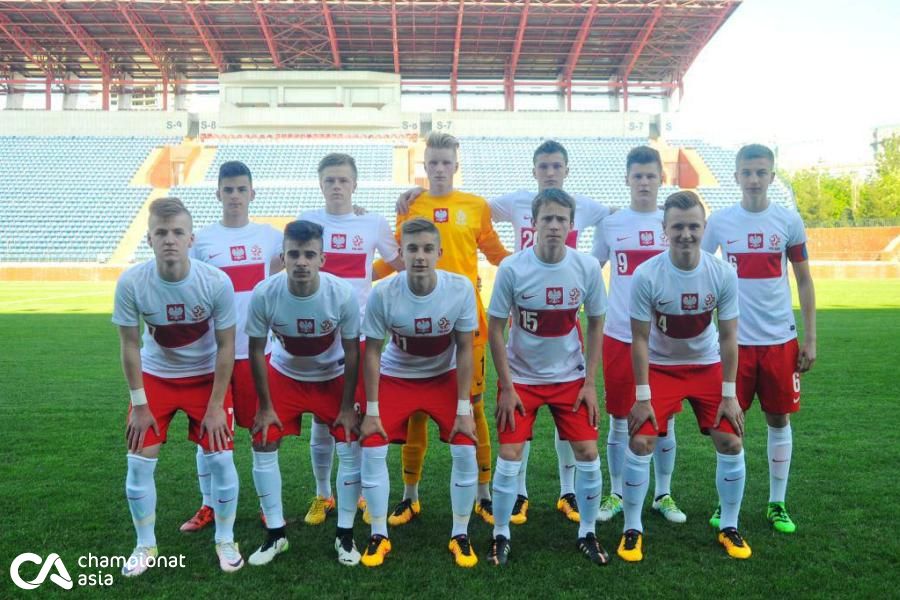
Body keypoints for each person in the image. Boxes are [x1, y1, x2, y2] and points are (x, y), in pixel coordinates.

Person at [399, 139, 612, 524]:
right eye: (543, 166)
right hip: (518, 319)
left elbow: (618, 217)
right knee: (514, 415)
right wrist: (417, 193)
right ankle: (515, 494)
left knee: (563, 423)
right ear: (534, 171)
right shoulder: (505, 202)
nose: (550, 171)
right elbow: (478, 227)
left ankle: (565, 493)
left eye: (556, 166)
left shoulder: (586, 206)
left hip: (557, 322)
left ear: (566, 170)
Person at [374, 132, 511, 526]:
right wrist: (362, 277)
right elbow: (399, 257)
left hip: (468, 325)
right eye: (431, 162)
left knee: (475, 408)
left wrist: (531, 269)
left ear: (456, 164)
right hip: (418, 320)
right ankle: (409, 495)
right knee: (415, 410)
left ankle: (484, 494)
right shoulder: (410, 204)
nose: (438, 169)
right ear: (424, 165)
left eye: (445, 162)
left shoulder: (476, 206)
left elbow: (497, 253)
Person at [112, 197, 243, 576]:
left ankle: (225, 538)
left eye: (177, 232)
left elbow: (226, 346)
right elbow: (129, 345)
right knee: (138, 461)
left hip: (206, 379)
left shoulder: (215, 281)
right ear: (149, 239)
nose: (169, 239)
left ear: (191, 239)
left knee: (220, 457)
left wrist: (217, 406)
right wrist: (139, 404)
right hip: (157, 378)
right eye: (161, 232)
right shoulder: (132, 282)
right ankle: (144, 545)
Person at [620, 190, 750, 562]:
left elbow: (728, 336)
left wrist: (729, 394)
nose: (686, 234)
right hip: (661, 367)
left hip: (706, 366)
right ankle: (633, 528)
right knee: (642, 442)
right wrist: (643, 397)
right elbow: (640, 339)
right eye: (678, 226)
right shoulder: (646, 275)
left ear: (704, 228)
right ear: (665, 229)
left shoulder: (722, 273)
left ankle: (729, 525)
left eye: (693, 226)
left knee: (731, 441)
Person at [486, 189, 609, 566]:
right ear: (534, 224)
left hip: (570, 380)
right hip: (521, 379)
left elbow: (595, 323)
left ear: (572, 226)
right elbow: (494, 329)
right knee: (509, 455)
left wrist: (589, 383)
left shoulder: (586, 267)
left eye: (561, 219)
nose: (554, 225)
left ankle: (588, 532)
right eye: (547, 219)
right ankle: (500, 534)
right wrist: (506, 387)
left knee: (588, 453)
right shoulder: (512, 267)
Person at [702, 144, 816, 534]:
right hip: (733, 342)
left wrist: (810, 338)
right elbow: (701, 273)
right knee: (727, 423)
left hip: (780, 340)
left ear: (772, 176)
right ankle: (726, 502)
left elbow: (803, 278)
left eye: (761, 172)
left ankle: (777, 503)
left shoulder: (788, 220)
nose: (754, 179)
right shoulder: (719, 223)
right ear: (736, 176)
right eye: (747, 172)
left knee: (778, 417)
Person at [359, 218, 480, 568]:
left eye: (428, 249)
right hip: (397, 375)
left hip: (443, 376)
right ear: (401, 252)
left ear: (439, 253)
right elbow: (372, 351)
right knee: (372, 442)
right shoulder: (383, 291)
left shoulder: (459, 288)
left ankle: (460, 533)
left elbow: (464, 349)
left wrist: (463, 407)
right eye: (412, 248)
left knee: (464, 443)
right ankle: (379, 534)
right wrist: (371, 409)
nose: (420, 256)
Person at [244, 220, 363, 566]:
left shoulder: (341, 293)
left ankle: (345, 535)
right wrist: (265, 407)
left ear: (322, 259)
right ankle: (276, 535)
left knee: (348, 437)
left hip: (332, 375)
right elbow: (255, 351)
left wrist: (345, 407)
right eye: (294, 254)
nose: (301, 262)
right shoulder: (265, 293)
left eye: (309, 254)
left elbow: (353, 350)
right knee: (263, 437)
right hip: (286, 374)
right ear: (282, 257)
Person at [297, 153, 405, 527]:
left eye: (343, 179)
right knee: (320, 419)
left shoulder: (372, 223)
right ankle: (322, 493)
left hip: (357, 335)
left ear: (355, 184)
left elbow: (399, 260)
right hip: (317, 335)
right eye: (330, 180)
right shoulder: (309, 222)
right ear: (321, 184)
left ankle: (356, 491)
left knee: (356, 414)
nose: (337, 186)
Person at [181, 161, 283, 533]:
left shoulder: (271, 236)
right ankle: (208, 505)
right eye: (229, 189)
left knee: (264, 435)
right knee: (210, 435)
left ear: (252, 193)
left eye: (242, 189)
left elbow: (313, 242)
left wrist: (357, 212)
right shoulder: (203, 240)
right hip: (213, 356)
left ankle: (268, 509)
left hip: (258, 354)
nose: (235, 196)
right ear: (218, 193)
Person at [591, 146, 686, 524]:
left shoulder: (673, 222)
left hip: (666, 339)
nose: (644, 182)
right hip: (620, 334)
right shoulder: (612, 224)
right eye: (637, 176)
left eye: (651, 175)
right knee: (618, 417)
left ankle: (663, 493)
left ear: (661, 179)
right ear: (627, 179)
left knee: (666, 420)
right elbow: (591, 268)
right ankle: (615, 492)